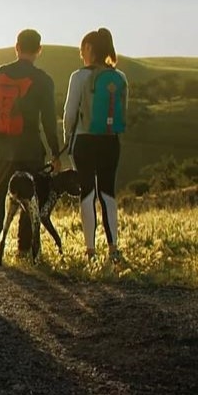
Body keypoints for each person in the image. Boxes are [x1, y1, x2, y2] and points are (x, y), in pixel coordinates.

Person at [0, 29, 62, 261]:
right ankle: (23, 249)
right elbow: (48, 120)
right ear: (39, 50)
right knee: (30, 197)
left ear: (16, 47)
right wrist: (56, 153)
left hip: (3, 148)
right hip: (30, 149)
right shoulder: (43, 80)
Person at [63, 28, 127, 261]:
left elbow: (70, 114)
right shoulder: (119, 78)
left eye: (82, 50)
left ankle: (90, 250)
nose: (81, 54)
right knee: (108, 193)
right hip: (111, 141)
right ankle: (113, 248)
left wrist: (66, 138)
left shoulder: (78, 77)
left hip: (85, 140)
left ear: (89, 48)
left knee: (87, 193)